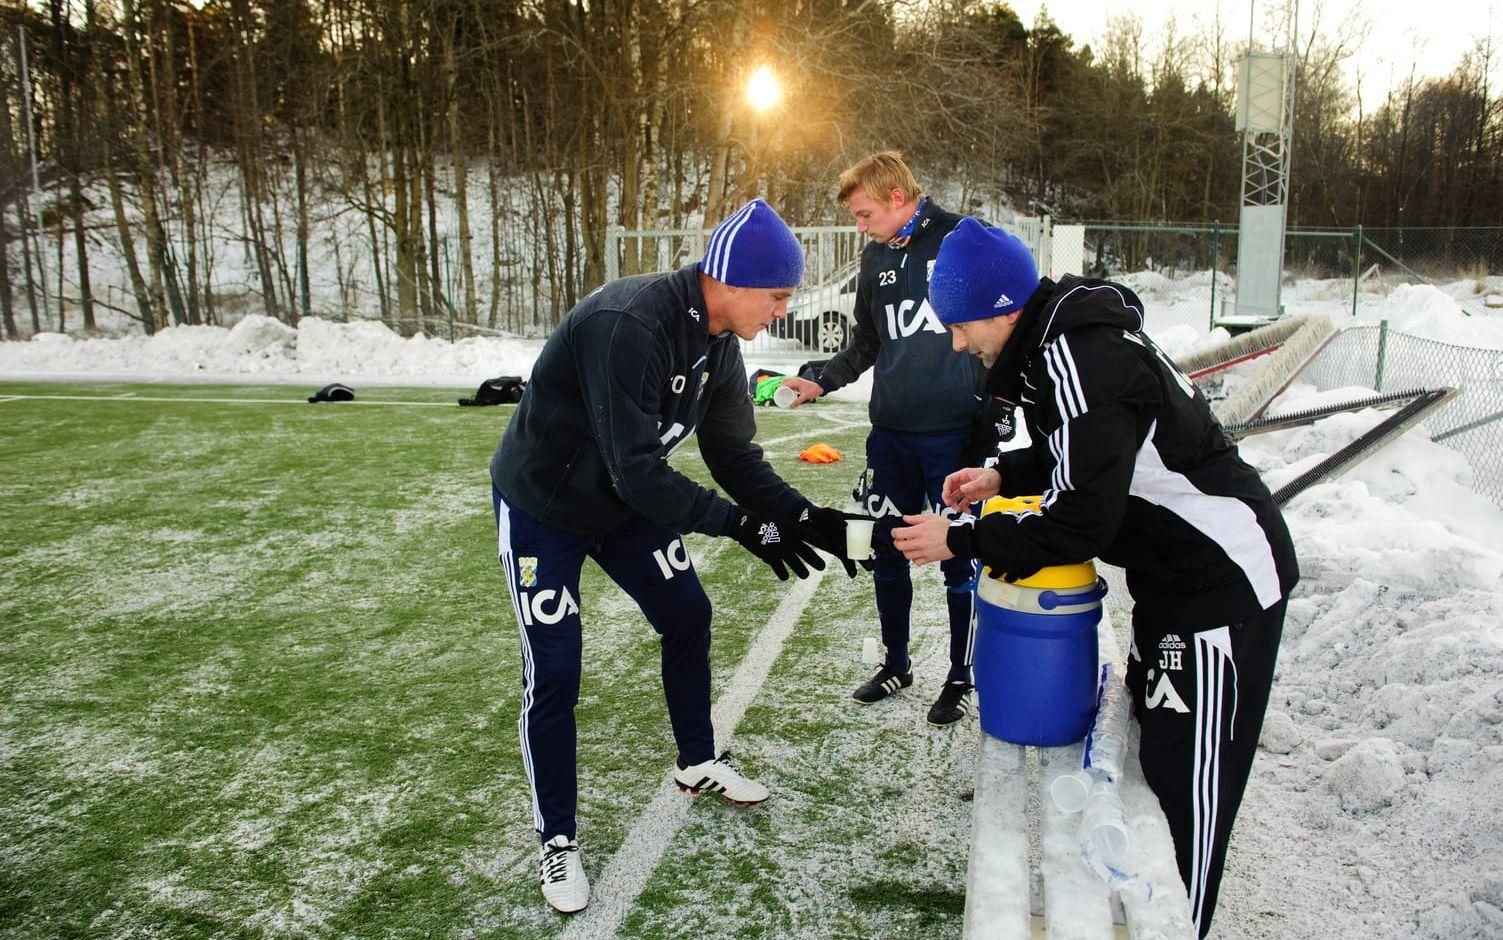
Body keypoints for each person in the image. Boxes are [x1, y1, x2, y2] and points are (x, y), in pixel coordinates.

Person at [892, 218, 1299, 938]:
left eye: (960, 326)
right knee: (1159, 761)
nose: (958, 342)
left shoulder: (1078, 354)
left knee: (1184, 792)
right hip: (1172, 580)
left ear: (1000, 305)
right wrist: (1001, 474)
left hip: (1217, 587)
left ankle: (1180, 928)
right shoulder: (1063, 345)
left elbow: (1080, 518)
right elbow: (1086, 454)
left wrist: (958, 538)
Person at [490, 199, 856, 914]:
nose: (783, 311)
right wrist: (740, 526)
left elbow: (734, 456)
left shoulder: (720, 343)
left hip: (624, 505)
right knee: (556, 668)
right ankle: (556, 838)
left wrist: (807, 519)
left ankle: (697, 761)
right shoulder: (629, 324)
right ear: (731, 279)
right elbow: (636, 469)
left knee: (687, 614)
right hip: (546, 507)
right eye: (778, 295)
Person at [777, 151, 986, 725]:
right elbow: (866, 345)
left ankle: (961, 675)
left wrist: (1000, 409)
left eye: (865, 214)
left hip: (954, 436)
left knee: (958, 558)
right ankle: (897, 662)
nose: (860, 226)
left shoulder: (964, 239)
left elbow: (1003, 323)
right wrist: (821, 379)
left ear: (897, 197)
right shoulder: (874, 258)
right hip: (891, 435)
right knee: (886, 548)